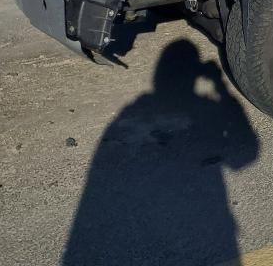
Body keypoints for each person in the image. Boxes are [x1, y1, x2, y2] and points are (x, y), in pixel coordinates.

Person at [62, 40, 259, 265]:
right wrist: (220, 86)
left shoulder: (131, 110)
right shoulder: (203, 107)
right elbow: (247, 155)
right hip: (204, 231)